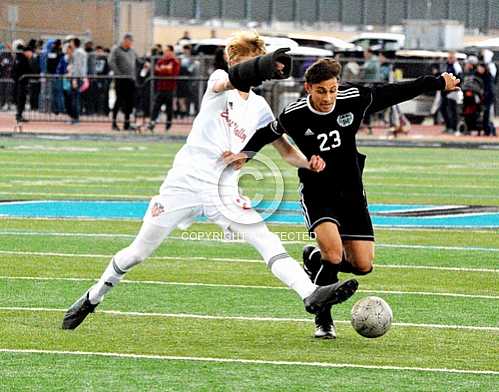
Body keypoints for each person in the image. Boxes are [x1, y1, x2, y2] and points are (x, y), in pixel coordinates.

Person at [62, 32, 358, 332]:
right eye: (246, 63)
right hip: (184, 183)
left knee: (264, 238)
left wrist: (308, 162)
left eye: (255, 62)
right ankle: (92, 297)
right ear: (232, 61)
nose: (248, 69)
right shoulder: (218, 80)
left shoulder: (260, 107)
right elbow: (231, 80)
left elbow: (285, 151)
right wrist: (263, 65)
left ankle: (310, 294)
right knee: (137, 253)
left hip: (224, 189)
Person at [226, 58, 460, 339]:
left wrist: (437, 83)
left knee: (363, 265)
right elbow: (268, 133)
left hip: (351, 190)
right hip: (317, 191)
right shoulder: (295, 114)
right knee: (335, 254)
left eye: (333, 90)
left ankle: (315, 259)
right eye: (322, 91)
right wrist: (246, 154)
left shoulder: (353, 98)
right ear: (308, 88)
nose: (328, 97)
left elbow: (393, 91)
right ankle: (323, 321)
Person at [147, 45, 180, 131]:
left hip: (170, 89)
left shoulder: (175, 62)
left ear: (171, 52)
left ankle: (168, 126)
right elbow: (156, 70)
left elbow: (173, 73)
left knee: (169, 109)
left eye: (168, 51)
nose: (166, 53)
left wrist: (163, 69)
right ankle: (152, 123)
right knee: (156, 107)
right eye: (165, 51)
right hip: (161, 88)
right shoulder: (161, 61)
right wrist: (165, 69)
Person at [109, 33, 138, 131]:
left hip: (130, 80)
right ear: (125, 40)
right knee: (119, 100)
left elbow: (137, 60)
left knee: (129, 102)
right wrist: (118, 73)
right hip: (121, 80)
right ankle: (114, 123)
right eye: (129, 41)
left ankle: (127, 123)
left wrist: (145, 64)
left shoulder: (132, 51)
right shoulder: (116, 49)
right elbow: (111, 61)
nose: (131, 43)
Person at [12, 43, 35, 123]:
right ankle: (19, 115)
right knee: (21, 99)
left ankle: (19, 114)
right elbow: (29, 70)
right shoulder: (23, 58)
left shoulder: (17, 58)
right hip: (21, 82)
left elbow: (13, 71)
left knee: (21, 99)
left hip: (18, 82)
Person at [440, 51, 463, 134]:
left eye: (451, 58)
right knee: (443, 109)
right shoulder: (447, 66)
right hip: (445, 91)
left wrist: (454, 88)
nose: (449, 59)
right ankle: (448, 126)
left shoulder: (456, 66)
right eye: (448, 57)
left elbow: (460, 79)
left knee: (452, 110)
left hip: (453, 91)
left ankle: (453, 128)